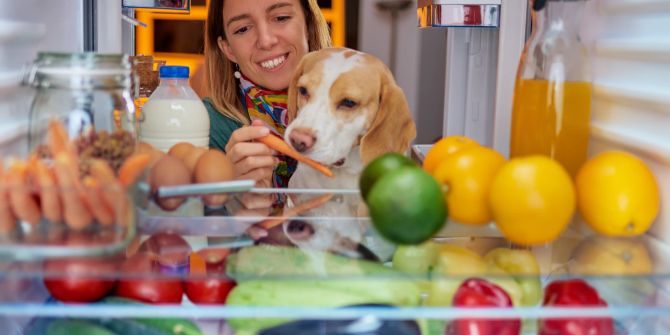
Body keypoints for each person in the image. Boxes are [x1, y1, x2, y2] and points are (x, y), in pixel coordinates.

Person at [203, 0, 331, 197]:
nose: (265, 40)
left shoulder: (358, 111)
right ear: (228, 48)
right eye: (243, 29)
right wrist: (227, 196)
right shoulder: (208, 127)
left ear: (308, 23)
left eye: (281, 18)